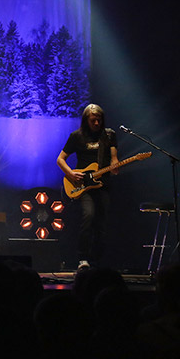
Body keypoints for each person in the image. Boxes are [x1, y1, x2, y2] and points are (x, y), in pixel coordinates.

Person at [56, 103, 119, 270]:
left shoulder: (109, 135)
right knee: (88, 216)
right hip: (83, 185)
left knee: (102, 224)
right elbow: (60, 159)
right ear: (86, 120)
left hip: (103, 184)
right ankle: (82, 258)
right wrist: (70, 174)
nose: (96, 123)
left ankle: (98, 260)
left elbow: (114, 158)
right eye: (93, 120)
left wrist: (115, 165)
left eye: (99, 120)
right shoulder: (77, 136)